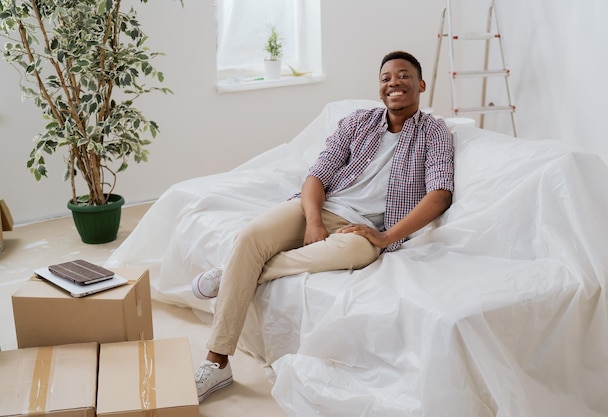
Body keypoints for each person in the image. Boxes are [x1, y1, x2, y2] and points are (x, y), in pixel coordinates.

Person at [192, 50, 455, 402]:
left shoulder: (435, 132)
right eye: (386, 78)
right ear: (380, 90)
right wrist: (313, 221)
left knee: (358, 251)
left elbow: (439, 195)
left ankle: (234, 274)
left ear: (421, 85)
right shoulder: (357, 122)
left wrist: (386, 236)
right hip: (319, 207)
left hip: (361, 229)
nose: (394, 82)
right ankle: (218, 360)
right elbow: (317, 175)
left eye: (404, 75)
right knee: (251, 236)